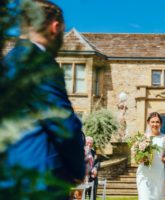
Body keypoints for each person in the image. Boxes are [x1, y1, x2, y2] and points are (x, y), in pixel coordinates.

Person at [1, 0, 85, 198]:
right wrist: (77, 169)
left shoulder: (8, 63)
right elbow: (64, 125)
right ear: (55, 27)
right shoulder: (37, 63)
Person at [136, 112, 165, 200]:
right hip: (144, 173)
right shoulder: (142, 138)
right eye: (152, 122)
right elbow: (136, 158)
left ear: (161, 124)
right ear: (148, 123)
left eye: (157, 122)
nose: (155, 124)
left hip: (159, 173)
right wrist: (141, 157)